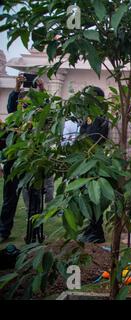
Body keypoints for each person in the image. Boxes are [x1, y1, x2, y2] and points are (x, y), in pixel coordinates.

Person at [0, 75, 50, 243]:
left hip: (32, 165)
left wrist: (42, 89)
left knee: (35, 200)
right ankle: (3, 231)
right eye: (23, 104)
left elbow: (47, 109)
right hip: (13, 165)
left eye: (29, 104)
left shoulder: (37, 123)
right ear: (18, 105)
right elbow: (10, 106)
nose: (25, 107)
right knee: (9, 200)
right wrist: (17, 87)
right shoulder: (12, 123)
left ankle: (35, 233)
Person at [77, 86, 110, 243]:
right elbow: (82, 134)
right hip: (87, 161)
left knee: (94, 199)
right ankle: (91, 228)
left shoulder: (100, 117)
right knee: (88, 197)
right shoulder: (90, 116)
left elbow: (93, 137)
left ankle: (97, 232)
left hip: (95, 163)